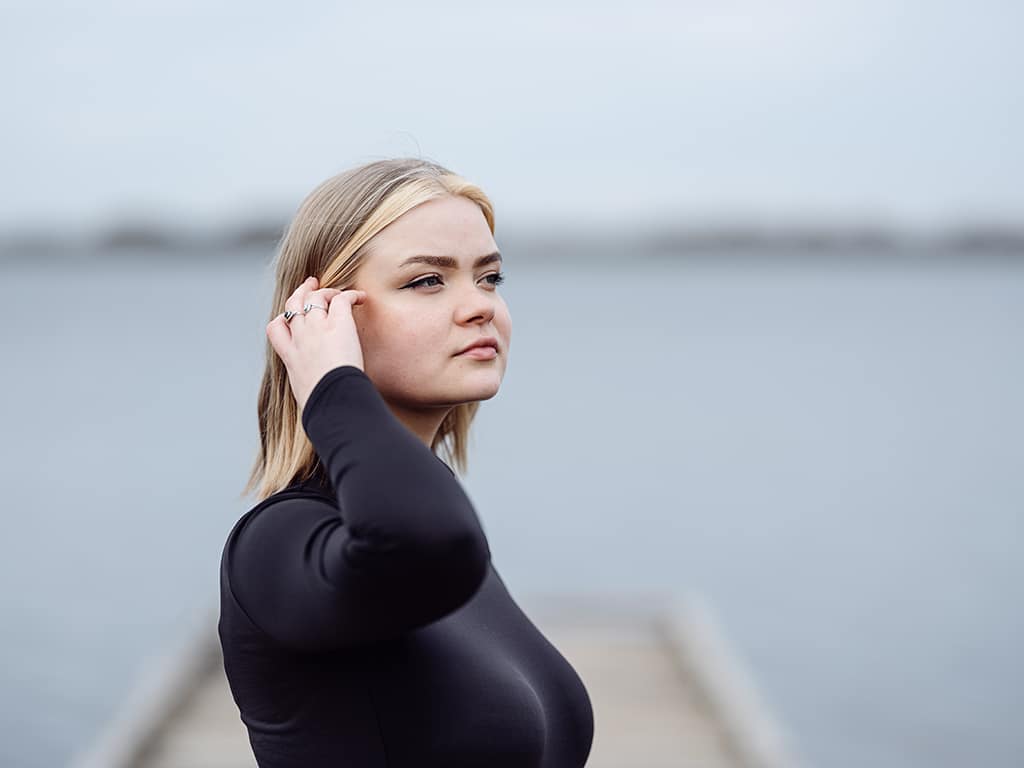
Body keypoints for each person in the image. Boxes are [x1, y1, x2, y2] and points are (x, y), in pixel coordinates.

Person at [218, 157, 595, 767]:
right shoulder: (282, 541)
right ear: (326, 314)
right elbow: (433, 541)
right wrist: (332, 383)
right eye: (427, 281)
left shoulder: (423, 500)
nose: (481, 307)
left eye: (490, 277)